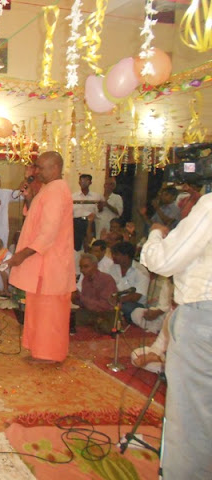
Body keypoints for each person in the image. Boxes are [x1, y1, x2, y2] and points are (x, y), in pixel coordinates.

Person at [139, 191, 212, 480]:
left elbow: (163, 261)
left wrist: (156, 234)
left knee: (189, 420)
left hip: (203, 315)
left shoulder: (210, 206)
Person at [7, 151, 75, 363]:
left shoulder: (56, 191)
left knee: (49, 311)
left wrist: (21, 255)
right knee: (38, 308)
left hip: (51, 263)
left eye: (41, 168)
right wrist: (29, 196)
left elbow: (48, 233)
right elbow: (35, 216)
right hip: (43, 262)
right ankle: (39, 350)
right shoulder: (49, 188)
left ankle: (49, 354)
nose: (36, 171)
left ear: (55, 168)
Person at [71, 254, 118, 334]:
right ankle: (94, 321)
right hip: (91, 312)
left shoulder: (106, 279)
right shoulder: (85, 280)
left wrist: (81, 297)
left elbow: (105, 305)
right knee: (70, 316)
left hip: (107, 312)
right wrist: (75, 298)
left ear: (95, 266)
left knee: (105, 327)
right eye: (81, 267)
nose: (82, 270)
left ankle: (95, 321)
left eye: (86, 267)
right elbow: (85, 304)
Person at [109, 241, 150, 322]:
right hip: (116, 300)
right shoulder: (113, 267)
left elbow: (136, 296)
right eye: (113, 254)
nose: (113, 256)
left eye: (116, 254)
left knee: (126, 308)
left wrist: (118, 300)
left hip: (135, 304)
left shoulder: (141, 272)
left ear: (126, 256)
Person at [72, 174, 102, 252]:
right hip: (76, 223)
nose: (84, 182)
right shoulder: (73, 196)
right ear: (79, 182)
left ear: (90, 182)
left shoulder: (96, 196)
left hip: (90, 222)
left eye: (86, 180)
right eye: (82, 181)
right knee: (75, 246)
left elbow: (100, 211)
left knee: (91, 245)